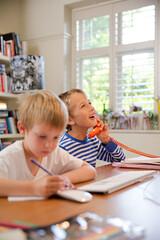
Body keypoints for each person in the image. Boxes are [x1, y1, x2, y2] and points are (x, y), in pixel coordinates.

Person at [0, 90, 96, 197]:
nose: (48, 145)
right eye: (42, 137)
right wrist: (33, 188)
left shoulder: (54, 153)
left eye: (55, 137)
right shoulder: (9, 157)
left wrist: (63, 179)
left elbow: (90, 170)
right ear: (22, 128)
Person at [59, 89, 126, 167]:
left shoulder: (93, 141)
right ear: (70, 119)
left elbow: (120, 159)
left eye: (89, 103)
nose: (92, 108)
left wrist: (106, 141)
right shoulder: (63, 148)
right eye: (83, 106)